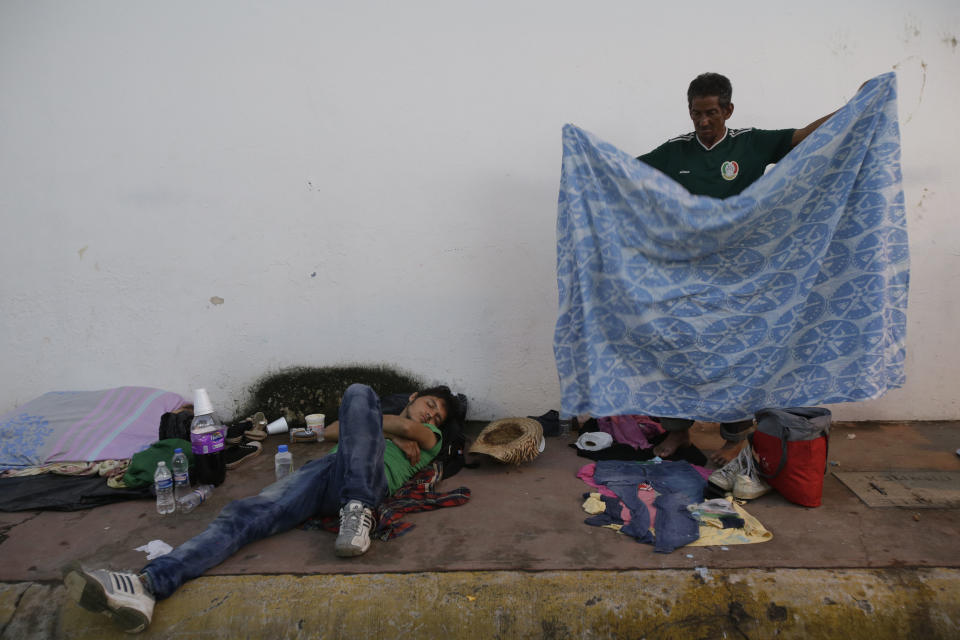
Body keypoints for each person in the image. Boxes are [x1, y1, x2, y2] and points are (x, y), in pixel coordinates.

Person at [63, 383, 462, 634]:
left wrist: (385, 426)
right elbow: (330, 432)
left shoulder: (433, 437)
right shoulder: (380, 418)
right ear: (413, 397)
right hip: (324, 473)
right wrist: (379, 423)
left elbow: (413, 432)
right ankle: (146, 586)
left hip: (369, 479)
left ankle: (358, 511)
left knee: (359, 393)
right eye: (429, 404)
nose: (431, 414)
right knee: (244, 514)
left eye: (438, 414)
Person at [636, 72, 836, 465]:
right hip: (687, 274)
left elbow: (804, 137)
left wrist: (853, 109)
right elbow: (626, 175)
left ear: (728, 109)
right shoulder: (675, 151)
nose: (704, 121)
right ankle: (677, 432)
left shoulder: (751, 143)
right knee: (676, 348)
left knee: (736, 355)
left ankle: (735, 437)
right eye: (696, 113)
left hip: (742, 274)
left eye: (712, 112)